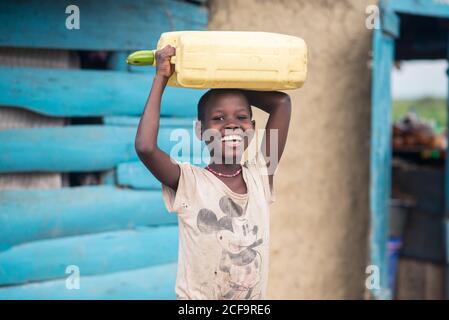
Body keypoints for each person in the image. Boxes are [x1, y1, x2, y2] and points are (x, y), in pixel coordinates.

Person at [135, 45, 292, 299]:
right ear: (200, 130)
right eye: (218, 118)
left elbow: (282, 103)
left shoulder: (260, 177)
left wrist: (227, 78)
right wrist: (161, 77)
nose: (231, 124)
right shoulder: (190, 182)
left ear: (252, 128)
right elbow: (145, 147)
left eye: (241, 117)